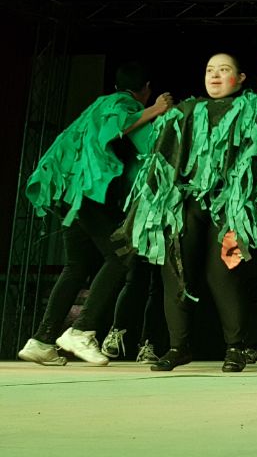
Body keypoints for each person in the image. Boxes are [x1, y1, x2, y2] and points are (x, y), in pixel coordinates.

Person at [125, 53, 257, 372]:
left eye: (224, 70)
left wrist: (255, 204)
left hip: (231, 204)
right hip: (187, 202)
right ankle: (179, 346)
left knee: (222, 272)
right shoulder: (186, 111)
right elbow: (161, 158)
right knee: (176, 268)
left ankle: (236, 347)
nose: (215, 76)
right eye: (209, 70)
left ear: (241, 77)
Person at [18, 62, 171, 366]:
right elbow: (130, 137)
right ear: (146, 88)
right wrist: (156, 111)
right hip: (88, 193)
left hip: (71, 192)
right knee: (121, 255)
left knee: (77, 265)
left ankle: (42, 339)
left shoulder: (99, 104)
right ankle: (82, 330)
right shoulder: (123, 104)